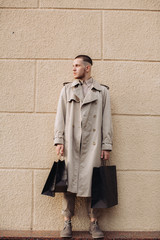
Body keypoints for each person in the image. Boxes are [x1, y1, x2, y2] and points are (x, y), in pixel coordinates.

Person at [54, 55, 113, 238]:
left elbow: (106, 120)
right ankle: (67, 222)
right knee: (68, 182)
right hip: (72, 143)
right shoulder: (67, 90)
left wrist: (106, 145)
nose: (73, 69)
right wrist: (59, 140)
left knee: (95, 182)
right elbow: (60, 117)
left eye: (77, 65)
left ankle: (94, 223)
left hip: (93, 145)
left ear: (87, 68)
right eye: (72, 65)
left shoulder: (102, 91)